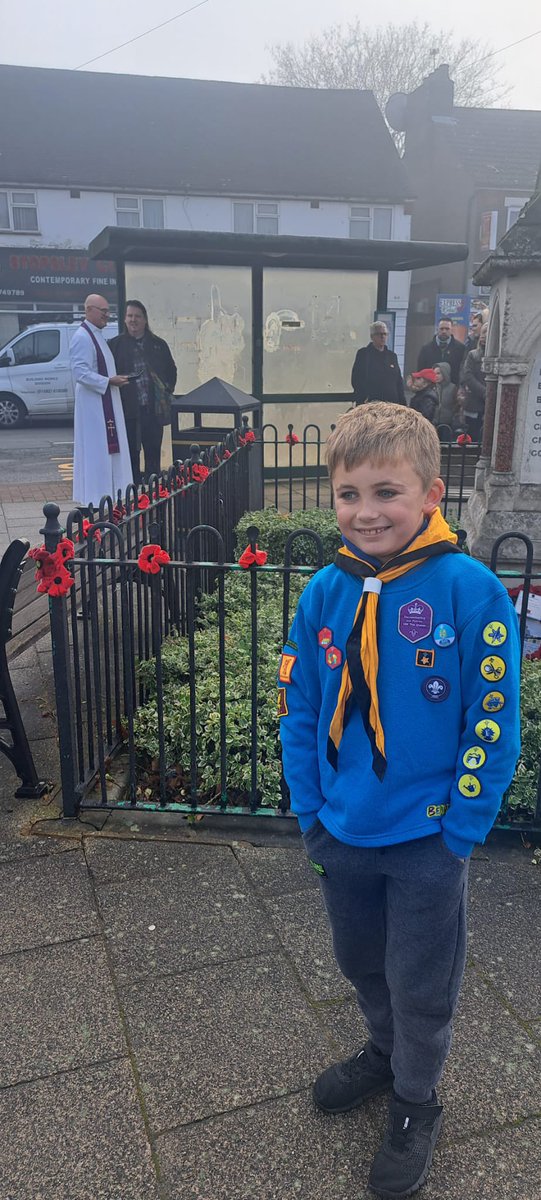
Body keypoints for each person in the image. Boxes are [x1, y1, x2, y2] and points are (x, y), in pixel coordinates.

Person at [279, 402, 520, 1199]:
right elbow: (303, 708)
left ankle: (416, 1099)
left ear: (430, 494)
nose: (365, 511)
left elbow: (492, 717)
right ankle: (383, 1054)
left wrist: (459, 828)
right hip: (341, 830)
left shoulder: (468, 589)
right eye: (348, 494)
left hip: (425, 839)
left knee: (421, 981)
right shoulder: (324, 591)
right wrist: (310, 811)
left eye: (386, 491)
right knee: (360, 963)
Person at [70, 294, 132, 508]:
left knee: (106, 450)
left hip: (105, 400)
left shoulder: (96, 335)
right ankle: (97, 498)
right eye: (103, 311)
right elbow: (80, 372)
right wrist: (108, 381)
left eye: (108, 311)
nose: (107, 315)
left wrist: (112, 381)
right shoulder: (82, 336)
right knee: (96, 450)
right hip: (94, 406)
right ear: (89, 310)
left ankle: (110, 493)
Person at [109, 300, 177, 483]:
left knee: (153, 455)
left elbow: (171, 371)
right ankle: (133, 499)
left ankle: (153, 497)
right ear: (124, 319)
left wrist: (166, 391)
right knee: (130, 455)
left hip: (152, 412)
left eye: (137, 316)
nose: (133, 320)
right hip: (127, 412)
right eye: (130, 316)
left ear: (145, 320)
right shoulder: (115, 345)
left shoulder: (158, 344)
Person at [351, 322, 406, 406]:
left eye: (385, 334)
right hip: (371, 404)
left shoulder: (392, 356)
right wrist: (363, 397)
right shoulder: (364, 354)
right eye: (379, 334)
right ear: (372, 336)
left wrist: (403, 404)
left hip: (392, 404)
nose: (382, 337)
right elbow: (356, 379)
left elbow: (398, 381)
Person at [417, 318, 464, 385]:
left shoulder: (460, 348)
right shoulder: (426, 349)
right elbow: (420, 372)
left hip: (453, 390)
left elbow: (462, 371)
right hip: (430, 389)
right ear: (437, 329)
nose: (444, 331)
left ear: (452, 330)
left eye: (447, 329)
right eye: (441, 329)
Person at [462, 322, 488, 442]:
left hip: (489, 406)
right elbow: (468, 376)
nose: (484, 336)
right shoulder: (473, 355)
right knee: (472, 436)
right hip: (474, 403)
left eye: (487, 332)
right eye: (483, 332)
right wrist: (485, 392)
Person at [434, 361, 459, 440]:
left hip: (447, 423)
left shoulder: (453, 388)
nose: (436, 376)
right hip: (433, 423)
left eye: (438, 373)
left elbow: (457, 405)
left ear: (444, 373)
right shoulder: (432, 387)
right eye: (434, 373)